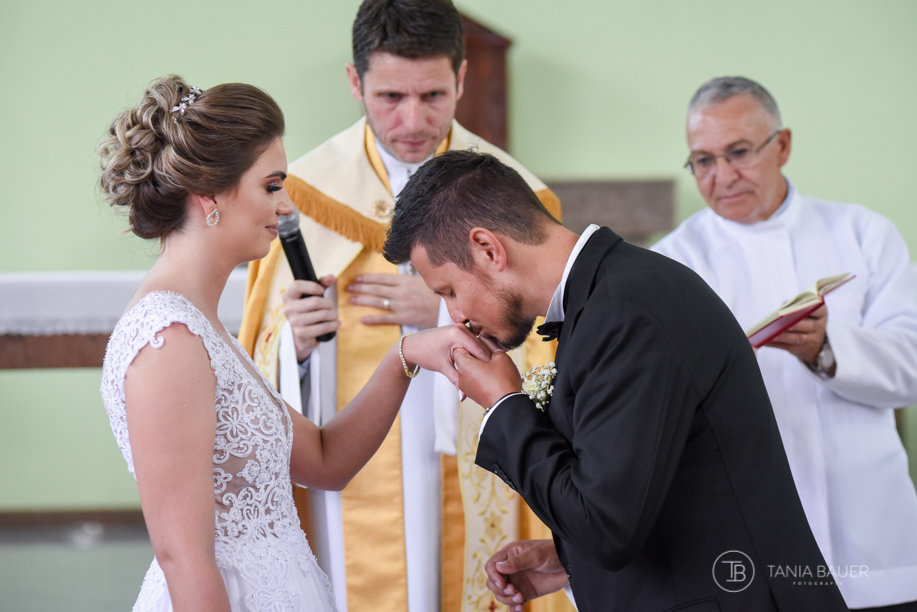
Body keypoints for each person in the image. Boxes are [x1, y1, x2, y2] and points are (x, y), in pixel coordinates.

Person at [383, 149, 850, 612]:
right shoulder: (612, 295)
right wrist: (569, 560)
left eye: (449, 291)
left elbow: (606, 528)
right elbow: (637, 492)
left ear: (488, 249)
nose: (456, 315)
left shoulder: (623, 314)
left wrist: (505, 403)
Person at [98, 75, 487, 612]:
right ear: (208, 193)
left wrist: (407, 358)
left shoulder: (203, 328)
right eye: (271, 185)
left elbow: (327, 462)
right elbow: (184, 559)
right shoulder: (169, 340)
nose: (286, 207)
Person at [238, 2, 564, 611]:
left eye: (434, 95)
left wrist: (445, 312)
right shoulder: (300, 196)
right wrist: (296, 346)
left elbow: (552, 348)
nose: (413, 120)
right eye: (390, 96)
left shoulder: (516, 196)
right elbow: (256, 355)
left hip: (468, 458)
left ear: (462, 80)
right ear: (355, 82)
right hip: (350, 457)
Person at [651, 76, 917, 611]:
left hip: (870, 530)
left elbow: (910, 366)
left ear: (784, 145)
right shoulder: (670, 263)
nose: (722, 176)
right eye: (702, 160)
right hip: (745, 535)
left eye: (739, 152)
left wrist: (826, 348)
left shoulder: (864, 232)